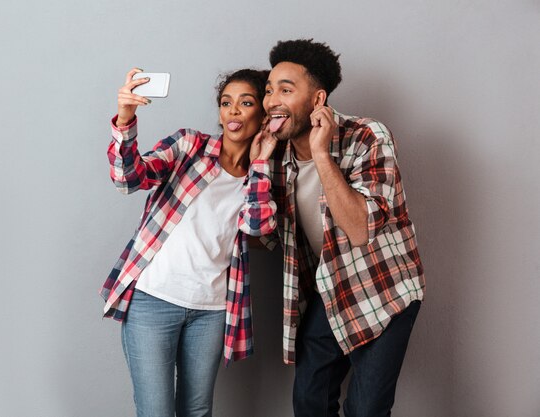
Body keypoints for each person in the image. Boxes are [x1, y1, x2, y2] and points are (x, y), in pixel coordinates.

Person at [243, 39, 426, 417]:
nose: (272, 100)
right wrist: (259, 167)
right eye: (269, 90)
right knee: (309, 401)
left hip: (384, 290)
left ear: (317, 100)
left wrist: (322, 154)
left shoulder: (367, 136)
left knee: (366, 409)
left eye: (286, 90)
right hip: (330, 287)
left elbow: (360, 230)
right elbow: (262, 239)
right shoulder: (275, 157)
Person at [100, 67, 276, 417]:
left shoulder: (264, 174)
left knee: (197, 410)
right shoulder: (190, 146)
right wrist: (125, 118)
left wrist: (260, 164)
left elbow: (259, 228)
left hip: (210, 311)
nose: (233, 111)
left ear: (263, 113)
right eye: (226, 103)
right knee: (157, 411)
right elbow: (128, 178)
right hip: (154, 301)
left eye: (246, 102)